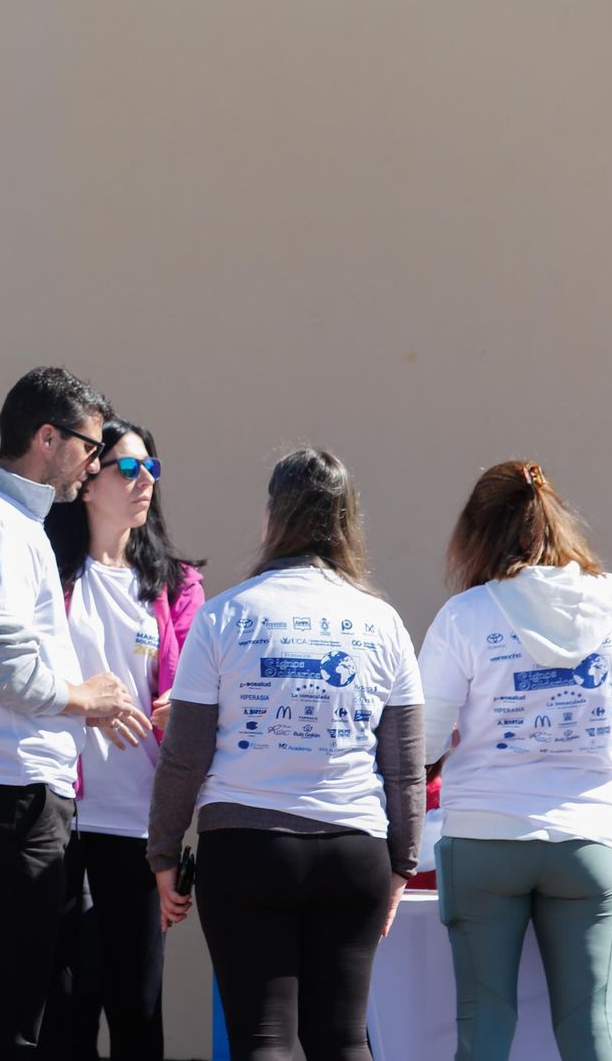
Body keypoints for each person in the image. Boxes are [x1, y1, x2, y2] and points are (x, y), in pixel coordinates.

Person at [147, 448, 424, 1061]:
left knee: (261, 1039)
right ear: (349, 520)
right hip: (356, 852)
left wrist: (164, 852)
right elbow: (405, 767)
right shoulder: (384, 623)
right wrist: (401, 866)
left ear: (273, 515)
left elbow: (184, 757)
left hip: (246, 847)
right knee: (343, 1038)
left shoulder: (226, 616)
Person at [0, 366, 154, 1059]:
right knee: (3, 1011)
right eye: (89, 446)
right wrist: (92, 697)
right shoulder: (1, 527)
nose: (94, 464)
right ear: (46, 437)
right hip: (9, 793)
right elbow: (4, 668)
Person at [416, 461, 612, 1061]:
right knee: (589, 1027)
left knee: (485, 1029)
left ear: (477, 533)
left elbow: (419, 743)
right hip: (591, 840)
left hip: (484, 838)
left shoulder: (467, 615)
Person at [40, 418, 204, 1060]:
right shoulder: (49, 570)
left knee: (138, 1008)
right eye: (129, 469)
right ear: (87, 482)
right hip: (63, 815)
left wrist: (179, 708)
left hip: (138, 824)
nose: (145, 483)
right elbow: (21, 676)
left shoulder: (175, 584)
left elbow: (198, 685)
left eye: (151, 469)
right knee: (69, 1004)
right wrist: (85, 704)